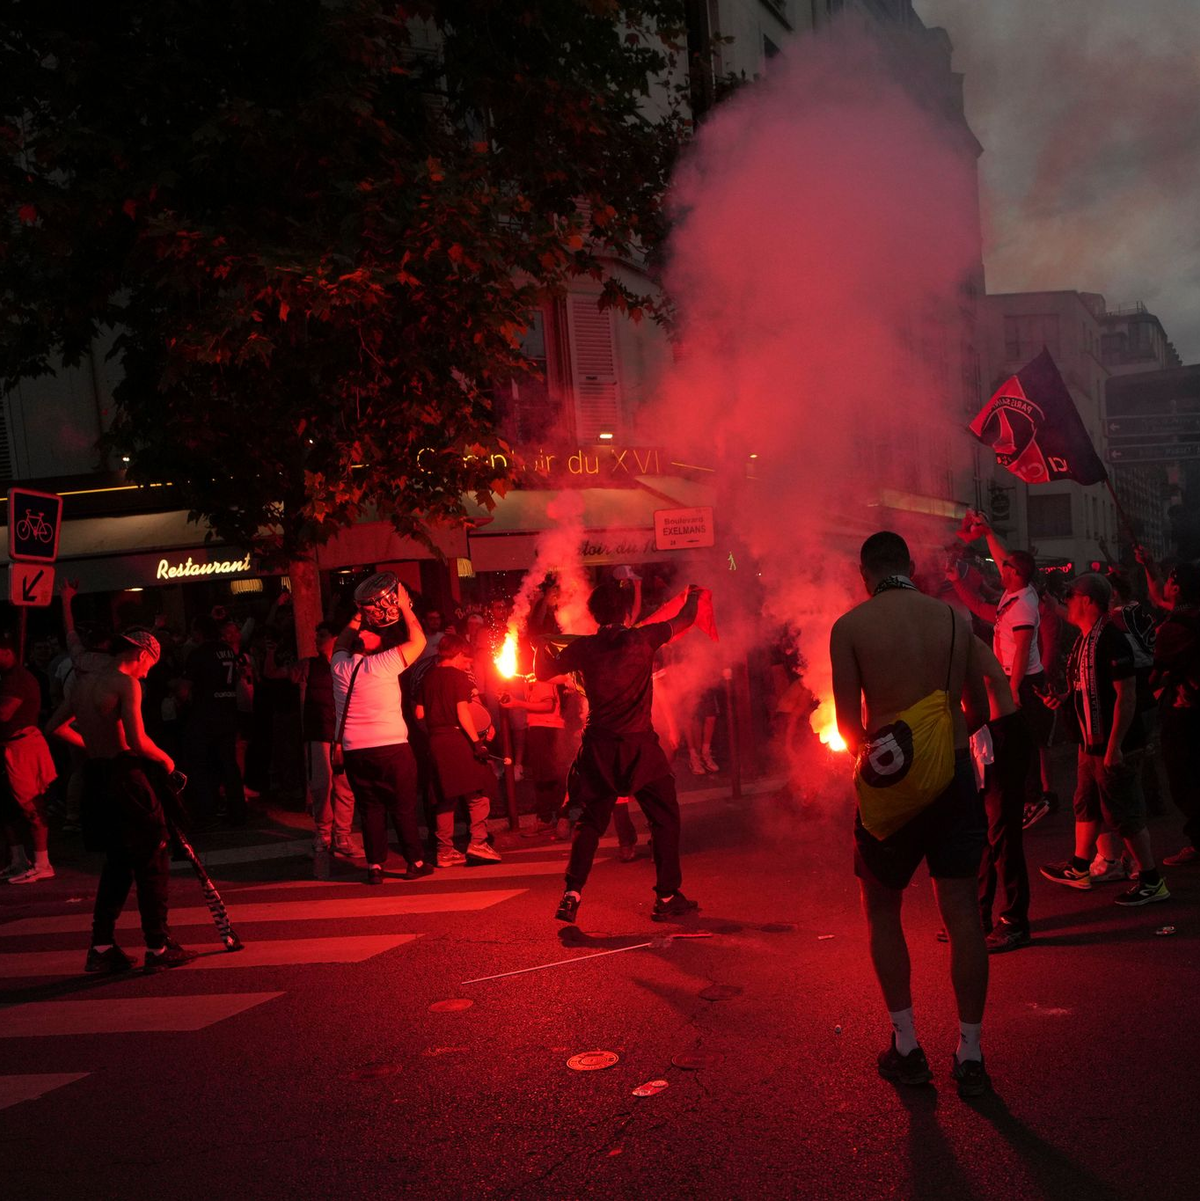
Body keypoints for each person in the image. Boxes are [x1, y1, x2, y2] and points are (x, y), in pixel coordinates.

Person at [831, 531, 991, 1098]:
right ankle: (970, 1054)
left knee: (882, 909)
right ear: (911, 566)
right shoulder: (953, 621)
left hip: (891, 784)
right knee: (963, 915)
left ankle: (907, 1046)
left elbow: (849, 726)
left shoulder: (850, 627)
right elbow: (977, 706)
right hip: (952, 777)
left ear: (864, 573)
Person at [535, 580, 704, 925]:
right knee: (665, 818)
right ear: (627, 613)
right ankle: (667, 896)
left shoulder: (584, 647)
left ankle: (572, 893)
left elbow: (541, 672)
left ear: (595, 615)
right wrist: (696, 594)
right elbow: (686, 619)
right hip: (639, 746)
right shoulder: (643, 638)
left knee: (591, 821)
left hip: (599, 748)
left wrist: (540, 645)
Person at [47, 629, 196, 973]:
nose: (148, 672)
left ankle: (101, 946)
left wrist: (94, 747)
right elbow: (138, 740)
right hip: (127, 777)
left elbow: (54, 726)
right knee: (152, 856)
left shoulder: (84, 683)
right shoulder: (126, 684)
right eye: (151, 664)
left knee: (118, 862)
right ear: (143, 655)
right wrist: (167, 761)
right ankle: (157, 945)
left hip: (97, 779)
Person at [1039, 573, 1169, 906]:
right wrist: (1065, 698)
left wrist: (1114, 747)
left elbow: (1126, 697)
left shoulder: (1110, 639)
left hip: (1114, 743)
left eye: (1071, 594)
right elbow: (1087, 687)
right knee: (1087, 802)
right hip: (1089, 742)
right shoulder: (1085, 639)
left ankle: (1152, 880)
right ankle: (1080, 867)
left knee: (1123, 813)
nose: (1067, 600)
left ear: (1087, 600)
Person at [948, 512, 1055, 827]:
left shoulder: (1022, 604)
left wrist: (1012, 689)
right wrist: (989, 533)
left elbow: (1023, 648)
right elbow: (1001, 554)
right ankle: (1023, 795)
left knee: (1021, 740)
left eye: (1006, 566)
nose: (1000, 565)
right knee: (1012, 739)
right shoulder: (1016, 591)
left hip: (1020, 679)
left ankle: (1032, 799)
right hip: (1012, 677)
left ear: (1017, 573)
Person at [332, 574, 431, 885]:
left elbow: (340, 643)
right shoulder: (385, 663)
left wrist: (357, 617)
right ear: (371, 643)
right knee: (402, 807)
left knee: (370, 807)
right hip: (390, 746)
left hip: (354, 750)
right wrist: (403, 606)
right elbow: (419, 641)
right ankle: (414, 861)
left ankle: (374, 866)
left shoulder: (339, 667)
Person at [416, 634, 502, 867]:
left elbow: (419, 715)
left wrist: (435, 732)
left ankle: (444, 851)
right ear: (457, 655)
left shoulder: (428, 677)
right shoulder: (458, 677)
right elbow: (463, 712)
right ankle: (479, 843)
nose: (469, 664)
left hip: (436, 741)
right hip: (458, 740)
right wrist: (477, 742)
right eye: (467, 659)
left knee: (445, 796)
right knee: (479, 793)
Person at [972, 637, 1033, 952]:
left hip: (1001, 738)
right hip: (983, 738)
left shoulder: (959, 644)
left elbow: (972, 706)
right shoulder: (938, 644)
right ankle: (978, 914)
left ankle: (1015, 922)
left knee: (1002, 833)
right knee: (979, 831)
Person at [295, 622, 356, 877]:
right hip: (319, 733)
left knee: (345, 785)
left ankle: (342, 835)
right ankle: (322, 833)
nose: (317, 640)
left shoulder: (345, 663)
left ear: (334, 638)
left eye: (322, 636)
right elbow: (282, 676)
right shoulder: (310, 665)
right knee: (322, 785)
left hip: (344, 732)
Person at [1151, 563, 1200, 867]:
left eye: (1170, 580)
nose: (1166, 585)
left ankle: (1198, 842)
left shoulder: (1175, 627)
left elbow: (1155, 675)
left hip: (1186, 711)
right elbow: (1158, 597)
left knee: (1185, 780)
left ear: (1178, 587)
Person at [0, 632, 57, 884]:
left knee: (32, 805)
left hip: (22, 747)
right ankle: (18, 860)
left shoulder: (19, 679)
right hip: (11, 747)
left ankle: (43, 863)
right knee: (8, 807)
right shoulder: (8, 678)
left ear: (7, 652)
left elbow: (4, 713)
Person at [181, 615, 247, 826]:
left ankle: (205, 812)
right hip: (228, 712)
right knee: (229, 764)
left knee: (202, 764)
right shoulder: (227, 650)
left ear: (199, 632)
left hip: (205, 715)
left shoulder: (198, 653)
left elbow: (184, 690)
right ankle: (237, 811)